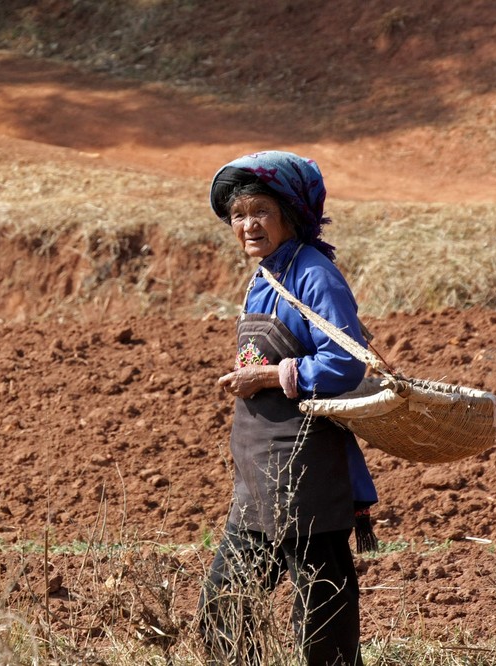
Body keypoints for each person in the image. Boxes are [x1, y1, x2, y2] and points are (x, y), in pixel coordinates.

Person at [198, 150, 376, 666]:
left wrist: (272, 375)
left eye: (260, 212)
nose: (247, 225)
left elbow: (346, 361)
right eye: (238, 215)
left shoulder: (314, 274)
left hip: (307, 470)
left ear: (290, 216)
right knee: (224, 609)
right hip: (260, 475)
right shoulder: (265, 275)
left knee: (323, 623)